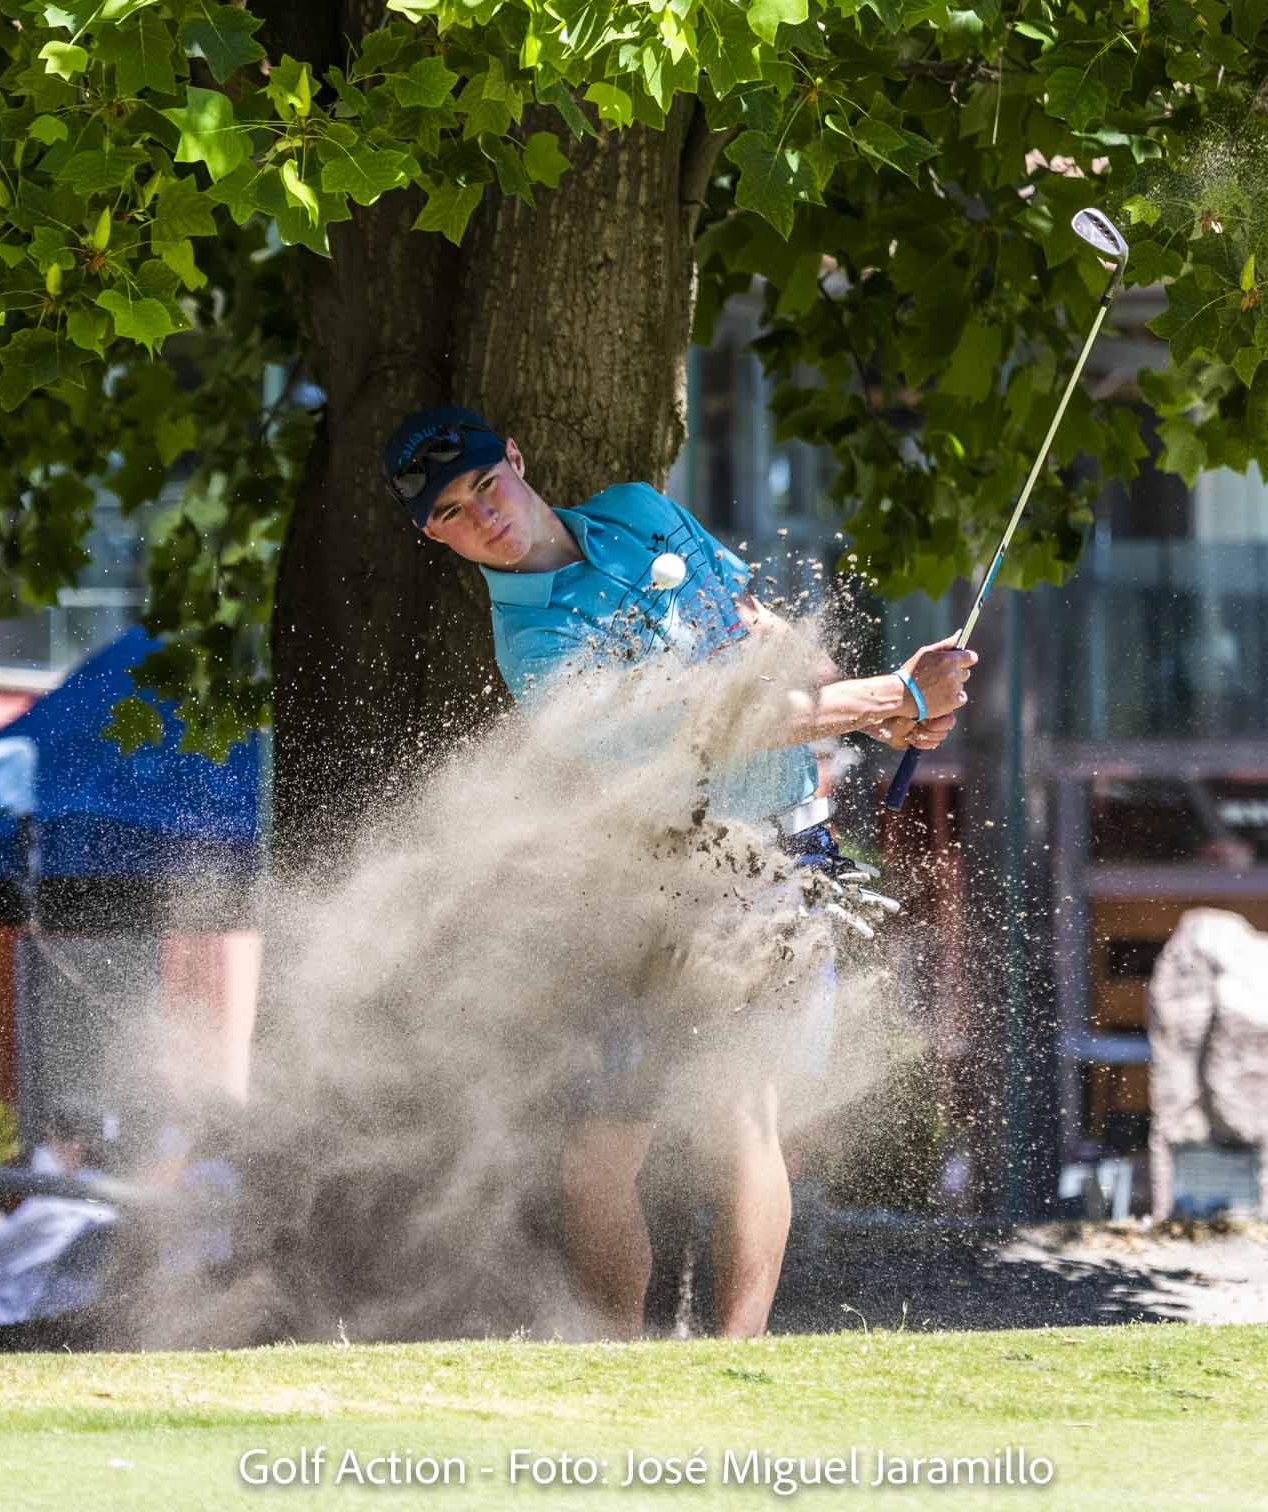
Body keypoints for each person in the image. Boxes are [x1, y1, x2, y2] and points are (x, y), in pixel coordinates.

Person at [384, 406, 976, 1338]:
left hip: (778, 863)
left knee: (742, 1117)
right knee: (597, 1157)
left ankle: (737, 1366)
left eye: (485, 484)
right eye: (452, 511)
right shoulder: (534, 646)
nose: (483, 515)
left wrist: (880, 708)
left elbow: (755, 629)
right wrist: (888, 697)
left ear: (517, 460)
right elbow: (713, 726)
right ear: (435, 535)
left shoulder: (636, 509)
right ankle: (618, 1366)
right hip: (646, 887)